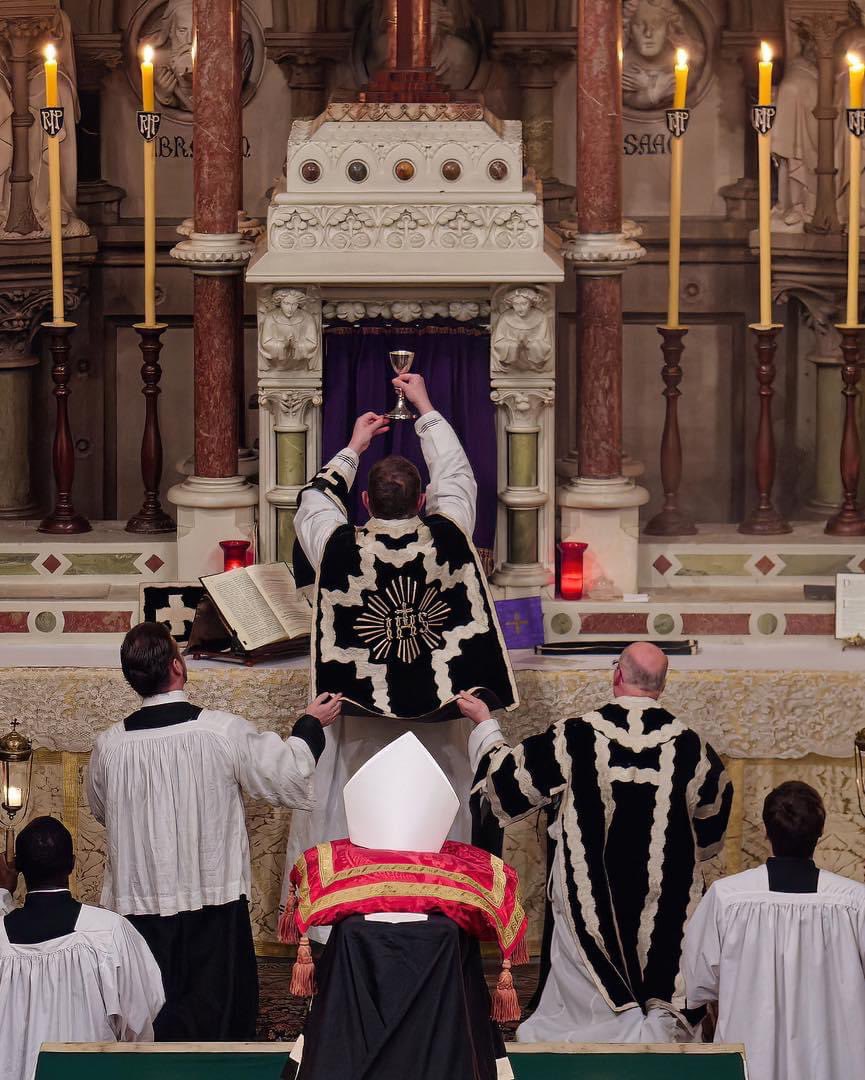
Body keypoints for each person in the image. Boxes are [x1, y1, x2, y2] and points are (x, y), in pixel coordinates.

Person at [284, 372, 517, 928]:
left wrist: (353, 446)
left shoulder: (338, 546)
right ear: (424, 500)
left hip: (358, 723)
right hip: (441, 720)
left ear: (364, 500)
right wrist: (426, 408)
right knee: (444, 817)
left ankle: (340, 925)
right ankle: (446, 919)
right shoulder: (450, 534)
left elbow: (313, 502)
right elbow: (459, 476)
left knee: (348, 813)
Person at [460, 641, 732, 1043]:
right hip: (665, 902)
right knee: (664, 942)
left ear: (617, 674)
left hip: (587, 901)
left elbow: (506, 783)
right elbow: (711, 827)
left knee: (584, 996)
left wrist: (484, 722)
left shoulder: (576, 735)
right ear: (662, 684)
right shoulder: (693, 748)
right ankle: (655, 1035)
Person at [86, 620, 342, 1040]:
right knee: (219, 1014)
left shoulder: (110, 746)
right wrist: (309, 725)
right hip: (212, 897)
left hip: (140, 898)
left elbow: (102, 809)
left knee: (153, 1013)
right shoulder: (221, 731)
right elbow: (286, 772)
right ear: (177, 666)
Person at [683, 781, 865, 1080]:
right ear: (820, 831)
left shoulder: (727, 898)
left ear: (766, 830)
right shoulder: (854, 902)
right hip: (834, 1062)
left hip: (754, 1059)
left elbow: (700, 982)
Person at [0, 817, 164, 1080]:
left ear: (18, 868)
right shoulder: (109, 932)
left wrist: (3, 892)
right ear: (73, 864)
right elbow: (140, 1019)